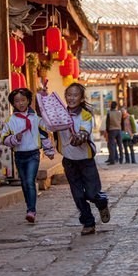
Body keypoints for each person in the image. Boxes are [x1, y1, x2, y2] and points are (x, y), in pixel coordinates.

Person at [54, 83, 110, 235]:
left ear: (81, 98)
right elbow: (47, 122)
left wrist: (79, 137)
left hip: (86, 160)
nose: (71, 98)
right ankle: (88, 222)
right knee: (78, 195)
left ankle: (102, 202)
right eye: (69, 95)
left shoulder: (86, 115)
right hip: (69, 161)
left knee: (92, 193)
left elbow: (85, 131)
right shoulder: (60, 114)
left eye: (75, 95)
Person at [1, 88, 55, 224]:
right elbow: (4, 139)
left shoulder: (36, 119)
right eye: (17, 101)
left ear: (29, 101)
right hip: (19, 155)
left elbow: (44, 134)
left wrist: (49, 151)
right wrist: (14, 138)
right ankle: (29, 205)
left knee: (30, 181)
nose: (20, 103)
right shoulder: (10, 120)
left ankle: (31, 210)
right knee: (24, 183)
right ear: (13, 103)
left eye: (23, 100)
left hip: (33, 155)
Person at [105, 101, 124, 165]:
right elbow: (122, 122)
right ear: (116, 106)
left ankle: (112, 160)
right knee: (120, 145)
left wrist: (107, 131)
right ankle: (121, 159)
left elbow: (107, 123)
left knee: (112, 146)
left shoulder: (109, 113)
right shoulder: (120, 113)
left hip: (112, 130)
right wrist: (122, 129)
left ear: (111, 106)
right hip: (119, 130)